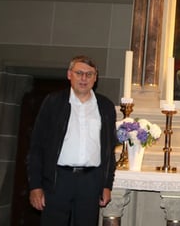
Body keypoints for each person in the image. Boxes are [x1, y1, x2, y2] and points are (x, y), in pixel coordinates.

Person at [27, 55, 117, 225]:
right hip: (57, 180)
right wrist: (35, 186)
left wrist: (107, 185)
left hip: (90, 182)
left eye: (89, 74)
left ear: (95, 77)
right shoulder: (53, 102)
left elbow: (108, 151)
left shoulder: (105, 106)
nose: (84, 78)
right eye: (79, 73)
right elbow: (37, 147)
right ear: (69, 74)